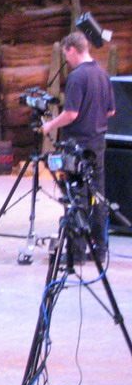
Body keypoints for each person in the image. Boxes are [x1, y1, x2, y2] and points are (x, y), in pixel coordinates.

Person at [41, 31, 115, 257]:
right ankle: (100, 249)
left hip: (78, 145)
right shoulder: (103, 74)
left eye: (66, 54)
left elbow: (71, 114)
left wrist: (50, 125)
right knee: (97, 194)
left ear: (71, 49)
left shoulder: (77, 76)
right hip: (97, 142)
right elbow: (111, 111)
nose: (67, 59)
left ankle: (76, 251)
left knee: (76, 196)